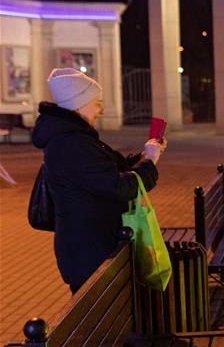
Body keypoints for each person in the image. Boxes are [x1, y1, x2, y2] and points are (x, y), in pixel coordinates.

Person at [32, 68, 166, 293]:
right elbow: (119, 187)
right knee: (98, 325)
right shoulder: (72, 145)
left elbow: (104, 175)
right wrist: (150, 164)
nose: (101, 110)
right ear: (79, 105)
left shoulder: (73, 140)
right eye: (97, 103)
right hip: (91, 254)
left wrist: (143, 159)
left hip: (93, 248)